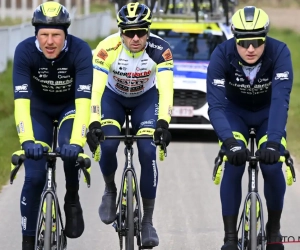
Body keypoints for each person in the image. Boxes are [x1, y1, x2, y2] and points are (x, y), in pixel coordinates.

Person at [86, 2, 173, 247]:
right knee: (108, 145)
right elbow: (96, 90)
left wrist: (164, 123)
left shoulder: (161, 49)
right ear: (121, 31)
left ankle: (147, 221)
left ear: (148, 31)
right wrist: (93, 122)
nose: (135, 38)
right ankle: (110, 189)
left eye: (141, 32)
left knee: (147, 151)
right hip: (112, 98)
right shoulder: (106, 47)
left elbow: (166, 90)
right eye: (129, 32)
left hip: (145, 99)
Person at [206, 6, 293, 250]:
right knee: (233, 165)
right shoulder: (221, 54)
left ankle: (274, 229)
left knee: (272, 166)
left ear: (265, 38)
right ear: (235, 39)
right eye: (244, 43)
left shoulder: (280, 52)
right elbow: (215, 105)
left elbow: (280, 101)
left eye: (257, 41)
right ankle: (230, 237)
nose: (251, 49)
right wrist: (229, 141)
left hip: (268, 115)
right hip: (235, 114)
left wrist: (274, 141)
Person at [13, 1, 93, 249]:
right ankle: (27, 241)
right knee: (34, 178)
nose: (49, 41)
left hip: (70, 108)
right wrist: (27, 141)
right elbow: (21, 103)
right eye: (44, 34)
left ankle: (71, 196)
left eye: (56, 35)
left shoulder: (80, 51)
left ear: (65, 34)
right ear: (36, 34)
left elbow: (83, 105)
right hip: (38, 110)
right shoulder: (24, 51)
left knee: (70, 150)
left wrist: (78, 143)